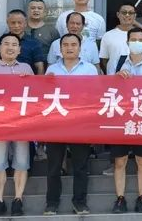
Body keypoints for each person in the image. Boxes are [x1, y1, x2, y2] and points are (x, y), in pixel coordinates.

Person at [43, 33, 97, 215]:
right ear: (60, 49)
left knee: (80, 166)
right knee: (54, 166)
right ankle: (51, 202)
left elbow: (95, 95)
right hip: (55, 123)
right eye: (65, 45)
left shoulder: (89, 69)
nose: (69, 48)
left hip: (80, 123)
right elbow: (44, 96)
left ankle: (79, 202)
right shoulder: (52, 69)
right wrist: (46, 83)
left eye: (73, 44)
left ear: (80, 48)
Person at [0, 33, 35, 217]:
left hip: (22, 124)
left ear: (20, 50)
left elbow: (36, 94)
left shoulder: (27, 68)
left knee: (21, 162)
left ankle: (18, 199)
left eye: (14, 44)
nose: (10, 47)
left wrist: (30, 80)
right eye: (6, 44)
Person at [110, 27, 142, 214]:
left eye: (140, 40)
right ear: (127, 42)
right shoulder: (118, 63)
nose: (136, 42)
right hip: (121, 119)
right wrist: (117, 78)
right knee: (120, 161)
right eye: (133, 39)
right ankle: (120, 198)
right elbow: (107, 89)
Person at [0, 9, 46, 74]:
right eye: (13, 23)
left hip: (26, 76)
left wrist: (39, 80)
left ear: (25, 23)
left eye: (19, 23)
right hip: (3, 76)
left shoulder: (34, 42)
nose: (16, 26)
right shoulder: (1, 40)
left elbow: (39, 66)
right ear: (7, 23)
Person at [100, 2, 137, 75]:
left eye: (130, 13)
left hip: (137, 78)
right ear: (118, 14)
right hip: (113, 78)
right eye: (124, 12)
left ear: (135, 16)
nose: (127, 15)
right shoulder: (108, 35)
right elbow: (104, 59)